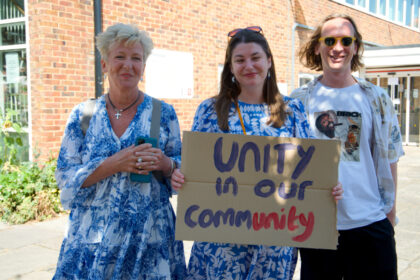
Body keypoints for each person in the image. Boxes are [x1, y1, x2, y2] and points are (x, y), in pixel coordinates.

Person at [171, 26, 343, 280]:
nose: (248, 65)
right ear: (230, 66)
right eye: (239, 60)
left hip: (273, 245)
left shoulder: (292, 109)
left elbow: (309, 170)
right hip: (221, 241)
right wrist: (180, 178)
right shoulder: (209, 110)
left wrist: (327, 189)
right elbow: (194, 171)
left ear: (269, 61)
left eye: (255, 58)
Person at [53, 23, 186, 279]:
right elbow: (65, 178)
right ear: (104, 64)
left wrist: (166, 164)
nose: (128, 65)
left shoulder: (163, 114)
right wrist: (113, 163)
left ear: (143, 68)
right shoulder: (83, 115)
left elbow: (182, 172)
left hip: (149, 240)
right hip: (93, 240)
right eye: (119, 57)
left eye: (136, 58)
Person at [291, 14, 404, 279]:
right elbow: (285, 161)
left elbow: (390, 158)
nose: (337, 47)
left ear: (355, 46)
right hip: (317, 227)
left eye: (345, 40)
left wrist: (390, 217)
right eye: (329, 40)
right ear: (317, 46)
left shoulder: (376, 99)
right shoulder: (298, 101)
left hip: (371, 224)